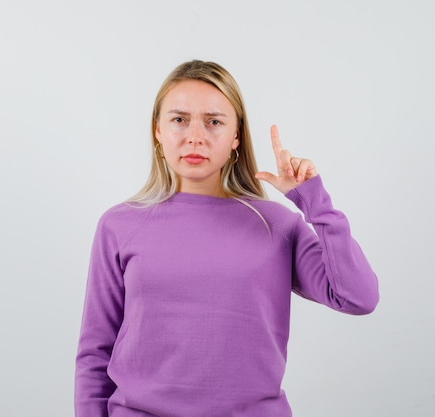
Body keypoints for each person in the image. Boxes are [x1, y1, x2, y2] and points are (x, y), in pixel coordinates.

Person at [74, 60, 379, 417]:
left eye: (214, 122)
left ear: (236, 136)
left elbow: (359, 297)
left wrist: (313, 199)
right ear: (157, 130)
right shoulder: (119, 225)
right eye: (179, 119)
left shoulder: (277, 225)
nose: (195, 136)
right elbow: (95, 352)